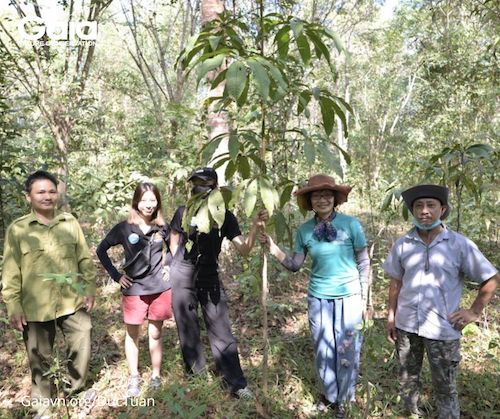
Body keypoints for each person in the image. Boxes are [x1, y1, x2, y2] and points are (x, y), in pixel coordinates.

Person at [384, 184, 498, 418]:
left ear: (442, 209)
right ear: (412, 211)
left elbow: (491, 278)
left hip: (443, 329)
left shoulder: (459, 245)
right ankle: (410, 413)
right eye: (418, 206)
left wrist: (474, 312)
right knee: (407, 380)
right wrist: (391, 316)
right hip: (406, 325)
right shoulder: (403, 244)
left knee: (445, 387)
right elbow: (396, 282)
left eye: (431, 205)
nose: (424, 211)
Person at [261, 174, 370, 418]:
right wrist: (273, 248)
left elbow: (363, 261)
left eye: (327, 195)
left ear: (335, 199)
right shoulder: (305, 230)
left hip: (350, 296)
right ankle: (329, 396)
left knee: (348, 348)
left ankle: (345, 400)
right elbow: (294, 264)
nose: (322, 200)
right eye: (317, 196)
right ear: (310, 202)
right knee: (323, 348)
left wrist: (364, 298)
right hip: (319, 298)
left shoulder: (351, 224)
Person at [169, 167, 267, 400]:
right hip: (183, 276)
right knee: (188, 329)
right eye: (195, 183)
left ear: (215, 186)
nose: (199, 187)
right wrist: (175, 264)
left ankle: (235, 383)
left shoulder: (225, 216)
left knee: (221, 330)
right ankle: (196, 378)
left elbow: (244, 248)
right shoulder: (184, 211)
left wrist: (255, 226)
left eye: (204, 183)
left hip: (209, 276)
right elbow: (173, 238)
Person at [1, 170, 96, 406]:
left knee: (82, 337)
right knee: (39, 356)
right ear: (28, 196)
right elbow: (11, 271)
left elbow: (84, 258)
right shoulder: (18, 229)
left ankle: (75, 391)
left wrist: (89, 287)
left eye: (52, 191)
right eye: (41, 192)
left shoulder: (69, 222)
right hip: (35, 306)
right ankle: (43, 403)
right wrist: (13, 305)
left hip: (71, 299)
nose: (47, 196)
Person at [96, 182, 172, 397]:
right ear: (136, 202)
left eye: (153, 200)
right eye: (144, 200)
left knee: (155, 333)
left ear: (158, 202)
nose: (149, 204)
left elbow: (174, 248)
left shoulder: (162, 227)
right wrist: (117, 276)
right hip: (134, 290)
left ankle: (155, 376)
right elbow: (101, 249)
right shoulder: (125, 227)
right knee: (133, 335)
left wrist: (168, 266)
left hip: (159, 289)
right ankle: (134, 377)